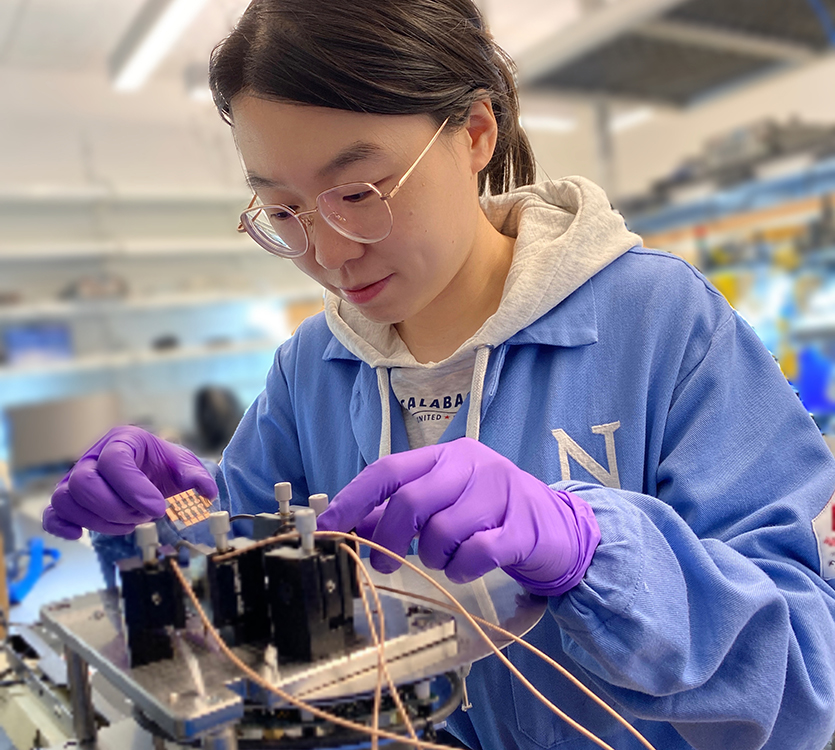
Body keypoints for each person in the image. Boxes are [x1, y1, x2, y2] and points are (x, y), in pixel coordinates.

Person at [42, 1, 835, 748]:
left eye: (358, 191)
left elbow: (808, 678)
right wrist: (162, 527)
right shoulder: (310, 374)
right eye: (284, 211)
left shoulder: (658, 323)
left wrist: (597, 554)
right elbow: (239, 622)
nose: (329, 253)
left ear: (475, 133)